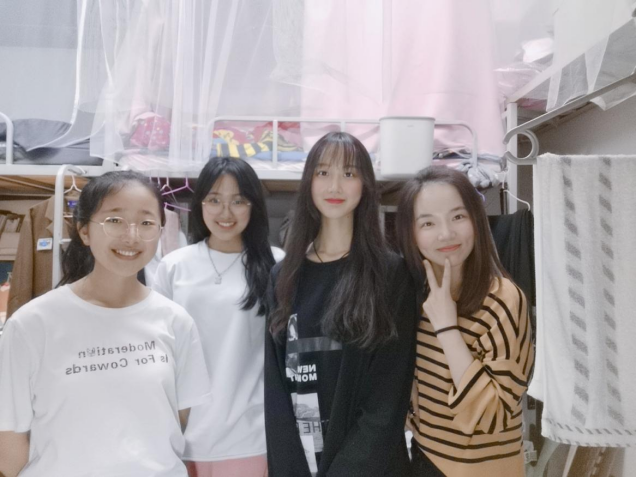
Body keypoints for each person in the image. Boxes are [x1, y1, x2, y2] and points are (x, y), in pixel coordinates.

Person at [0, 171, 211, 477]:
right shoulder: (32, 324)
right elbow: (8, 440)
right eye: (114, 220)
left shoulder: (175, 321)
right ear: (84, 231)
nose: (132, 236)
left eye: (146, 222)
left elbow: (176, 421)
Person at [264, 131, 418, 477]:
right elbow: (276, 391)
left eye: (349, 173)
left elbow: (387, 397)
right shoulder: (282, 276)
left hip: (371, 467)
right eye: (323, 172)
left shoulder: (391, 273)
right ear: (309, 182)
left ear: (365, 185)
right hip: (300, 464)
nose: (335, 186)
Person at [396, 166, 534, 477]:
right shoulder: (414, 295)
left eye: (458, 216)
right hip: (424, 458)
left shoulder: (503, 299)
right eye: (428, 223)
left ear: (476, 220)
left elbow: (494, 416)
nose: (446, 233)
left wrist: (447, 327)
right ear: (411, 233)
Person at [153, 157, 284, 477]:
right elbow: (158, 354)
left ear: (253, 206)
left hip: (251, 436)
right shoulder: (174, 266)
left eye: (238, 201)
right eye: (214, 200)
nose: (225, 213)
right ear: (200, 204)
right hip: (181, 436)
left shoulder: (276, 264)